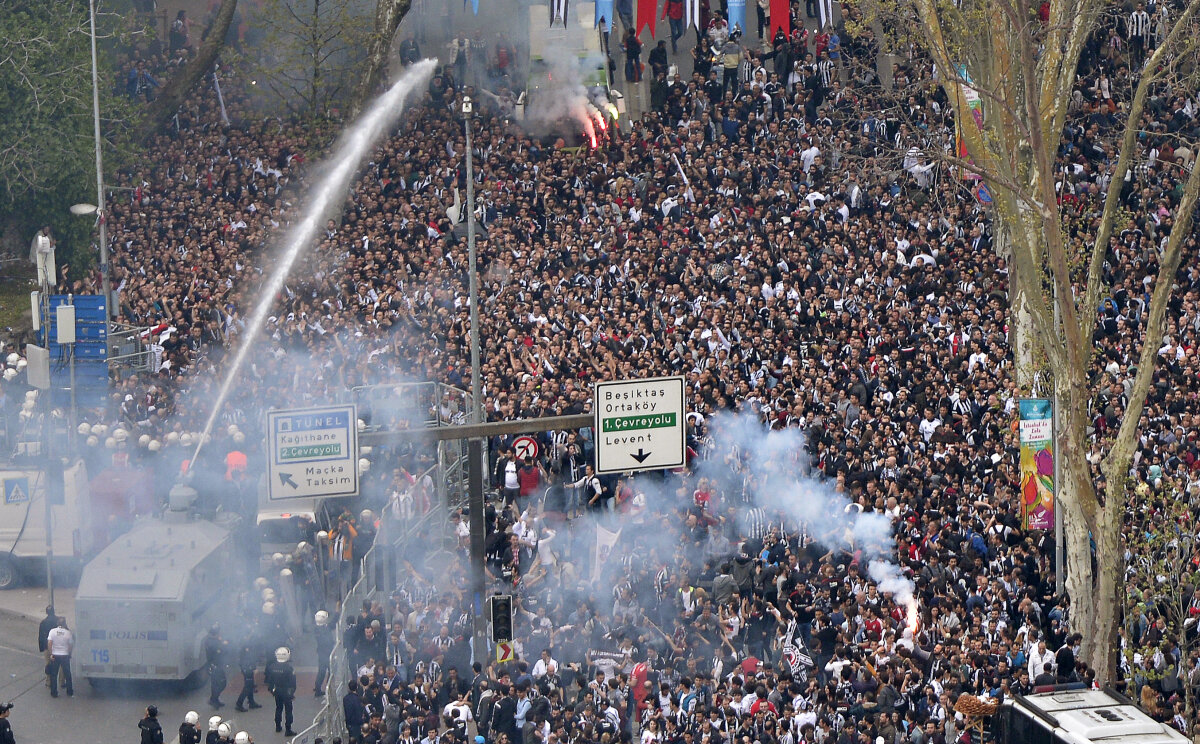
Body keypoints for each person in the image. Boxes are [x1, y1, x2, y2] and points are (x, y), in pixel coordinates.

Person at [266, 646, 298, 736]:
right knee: (288, 710)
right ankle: (288, 729)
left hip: (277, 690)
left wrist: (272, 691)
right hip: (286, 691)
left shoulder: (271, 667)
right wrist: (291, 693)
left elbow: (270, 681)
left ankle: (278, 726)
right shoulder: (289, 668)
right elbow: (293, 683)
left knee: (278, 708)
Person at [45, 617, 73, 698]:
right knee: (67, 674)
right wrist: (69, 653)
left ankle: (54, 692)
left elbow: (50, 643)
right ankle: (69, 691)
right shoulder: (68, 633)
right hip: (64, 655)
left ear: (57, 623)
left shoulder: (52, 631)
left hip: (55, 655)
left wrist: (51, 653)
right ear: (65, 624)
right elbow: (70, 644)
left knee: (54, 674)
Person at [203, 624, 228, 709]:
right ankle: (213, 699)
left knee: (215, 684)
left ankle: (215, 699)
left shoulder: (208, 640)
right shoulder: (215, 643)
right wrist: (222, 643)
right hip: (216, 666)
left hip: (213, 665)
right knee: (221, 683)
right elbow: (222, 651)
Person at [234, 639, 262, 712]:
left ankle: (251, 701)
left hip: (246, 668)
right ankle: (239, 703)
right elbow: (249, 659)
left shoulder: (245, 645)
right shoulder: (247, 646)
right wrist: (253, 668)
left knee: (250, 685)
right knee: (248, 686)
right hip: (247, 669)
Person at [314, 610, 334, 696]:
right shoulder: (322, 630)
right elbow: (327, 641)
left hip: (322, 653)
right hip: (326, 653)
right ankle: (327, 688)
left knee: (322, 672)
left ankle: (318, 688)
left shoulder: (318, 628)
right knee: (330, 670)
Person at [37, 605, 56, 689]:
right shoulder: (58, 620)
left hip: (47, 646)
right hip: (57, 646)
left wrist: (42, 647)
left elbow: (41, 636)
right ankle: (62, 681)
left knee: (48, 664)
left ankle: (49, 681)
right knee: (61, 665)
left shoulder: (43, 622)